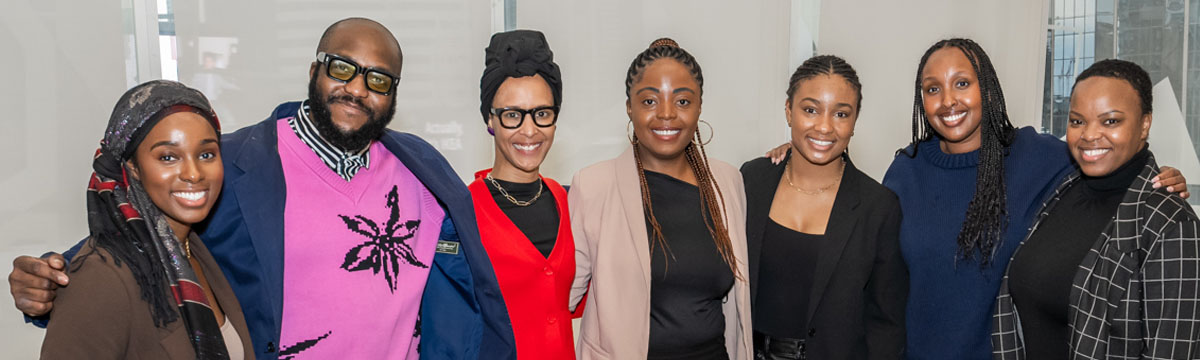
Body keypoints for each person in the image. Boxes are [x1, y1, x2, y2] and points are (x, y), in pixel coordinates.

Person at [10, 18, 514, 359]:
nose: (357, 89)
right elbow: (139, 232)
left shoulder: (422, 168)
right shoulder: (232, 163)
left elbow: (467, 284)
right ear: (315, 70)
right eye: (343, 68)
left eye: (378, 80)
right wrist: (53, 279)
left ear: (394, 94)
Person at [992, 59, 1200, 359]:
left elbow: (1173, 349)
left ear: (1144, 124)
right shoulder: (1063, 190)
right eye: (1077, 121)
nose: (1089, 134)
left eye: (1110, 121)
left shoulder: (1170, 223)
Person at [40, 80, 253, 359]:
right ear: (133, 167)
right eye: (168, 157)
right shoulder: (101, 275)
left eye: (206, 154)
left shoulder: (197, 251)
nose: (193, 173)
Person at [568, 38, 751, 360]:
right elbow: (561, 298)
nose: (666, 114)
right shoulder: (594, 186)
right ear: (630, 107)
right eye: (650, 101)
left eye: (682, 101)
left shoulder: (728, 182)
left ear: (699, 107)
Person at [741, 55, 906, 360]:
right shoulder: (752, 180)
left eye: (841, 114)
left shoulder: (879, 207)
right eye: (810, 110)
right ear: (788, 111)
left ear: (854, 122)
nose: (825, 126)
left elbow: (886, 324)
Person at [469, 29, 579, 360]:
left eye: (542, 114)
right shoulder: (462, 212)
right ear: (490, 120)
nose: (529, 130)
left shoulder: (571, 202)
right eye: (512, 115)